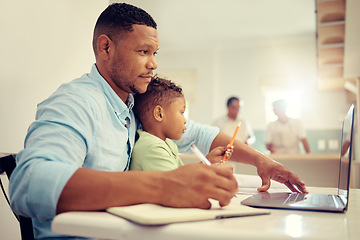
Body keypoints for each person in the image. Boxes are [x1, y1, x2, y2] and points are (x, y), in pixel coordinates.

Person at [9, 3, 307, 239]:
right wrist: (164, 185)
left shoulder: (132, 104)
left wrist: (261, 162)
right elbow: (28, 183)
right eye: (143, 52)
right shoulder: (75, 102)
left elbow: (201, 134)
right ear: (105, 48)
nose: (153, 64)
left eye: (154, 53)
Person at [131, 76, 233, 171]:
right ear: (159, 114)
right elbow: (177, 184)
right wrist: (215, 173)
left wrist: (208, 161)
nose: (185, 120)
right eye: (181, 112)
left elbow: (180, 175)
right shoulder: (152, 149)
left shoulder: (166, 143)